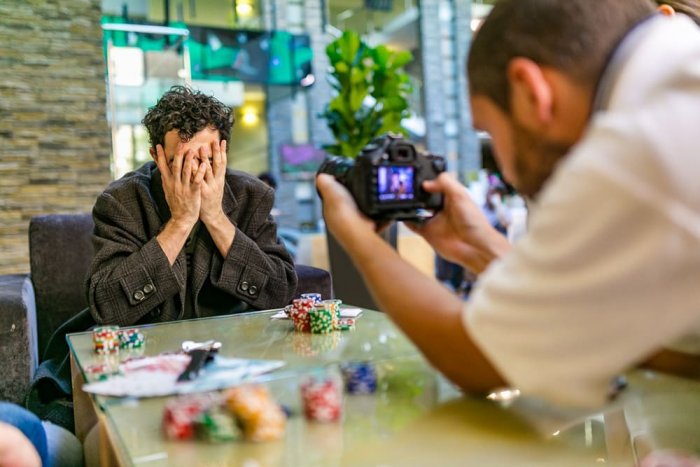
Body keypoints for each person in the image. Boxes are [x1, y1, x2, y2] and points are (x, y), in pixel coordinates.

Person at [316, 0, 700, 408]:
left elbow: (474, 358)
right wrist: (480, 248)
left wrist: (359, 238)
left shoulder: (639, 146)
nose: (507, 172)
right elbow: (620, 331)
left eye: (490, 131)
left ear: (529, 89)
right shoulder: (676, 82)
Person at [87, 86, 297, 325]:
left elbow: (280, 292)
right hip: (150, 342)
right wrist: (180, 221)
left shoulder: (252, 196)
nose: (195, 174)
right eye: (180, 162)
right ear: (156, 157)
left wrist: (216, 217)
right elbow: (108, 307)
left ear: (224, 154)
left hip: (231, 340)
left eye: (207, 160)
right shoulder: (121, 201)